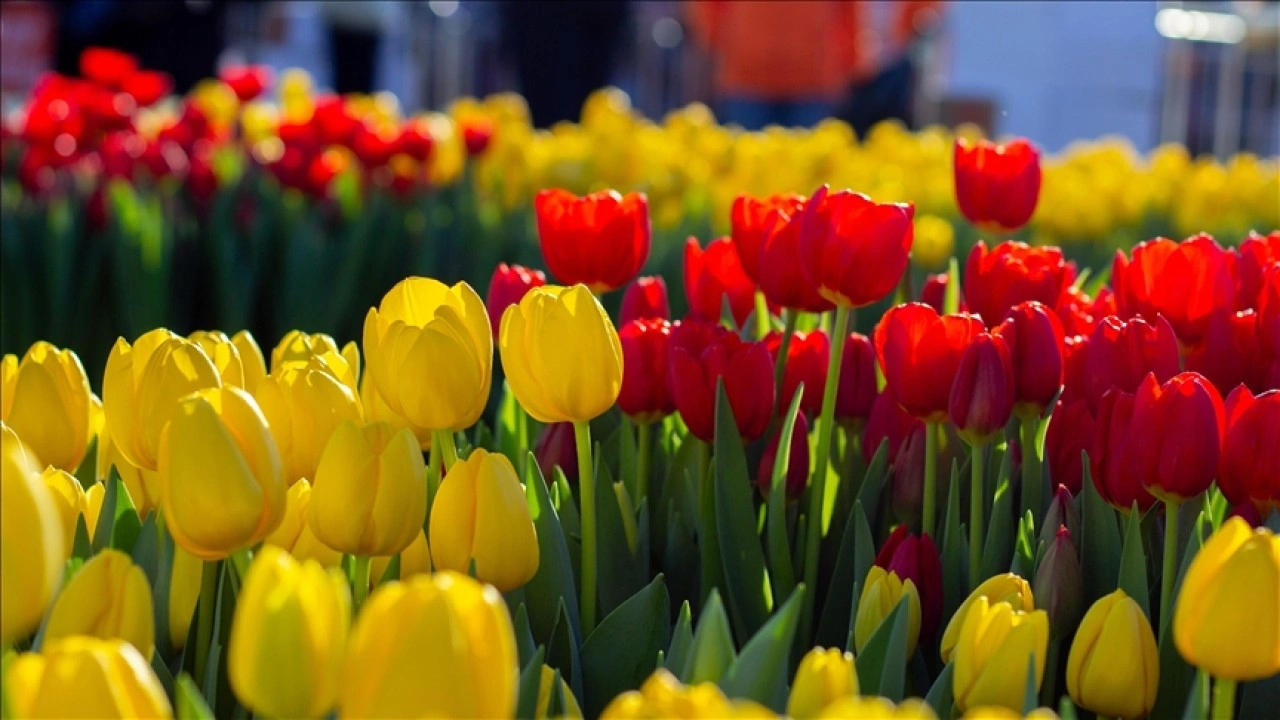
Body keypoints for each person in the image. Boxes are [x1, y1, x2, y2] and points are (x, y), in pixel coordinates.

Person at [685, 1, 870, 130]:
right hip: (746, 83)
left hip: (811, 85)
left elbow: (848, 10)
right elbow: (708, 8)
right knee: (745, 175)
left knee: (809, 178)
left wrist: (850, 63)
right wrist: (720, 45)